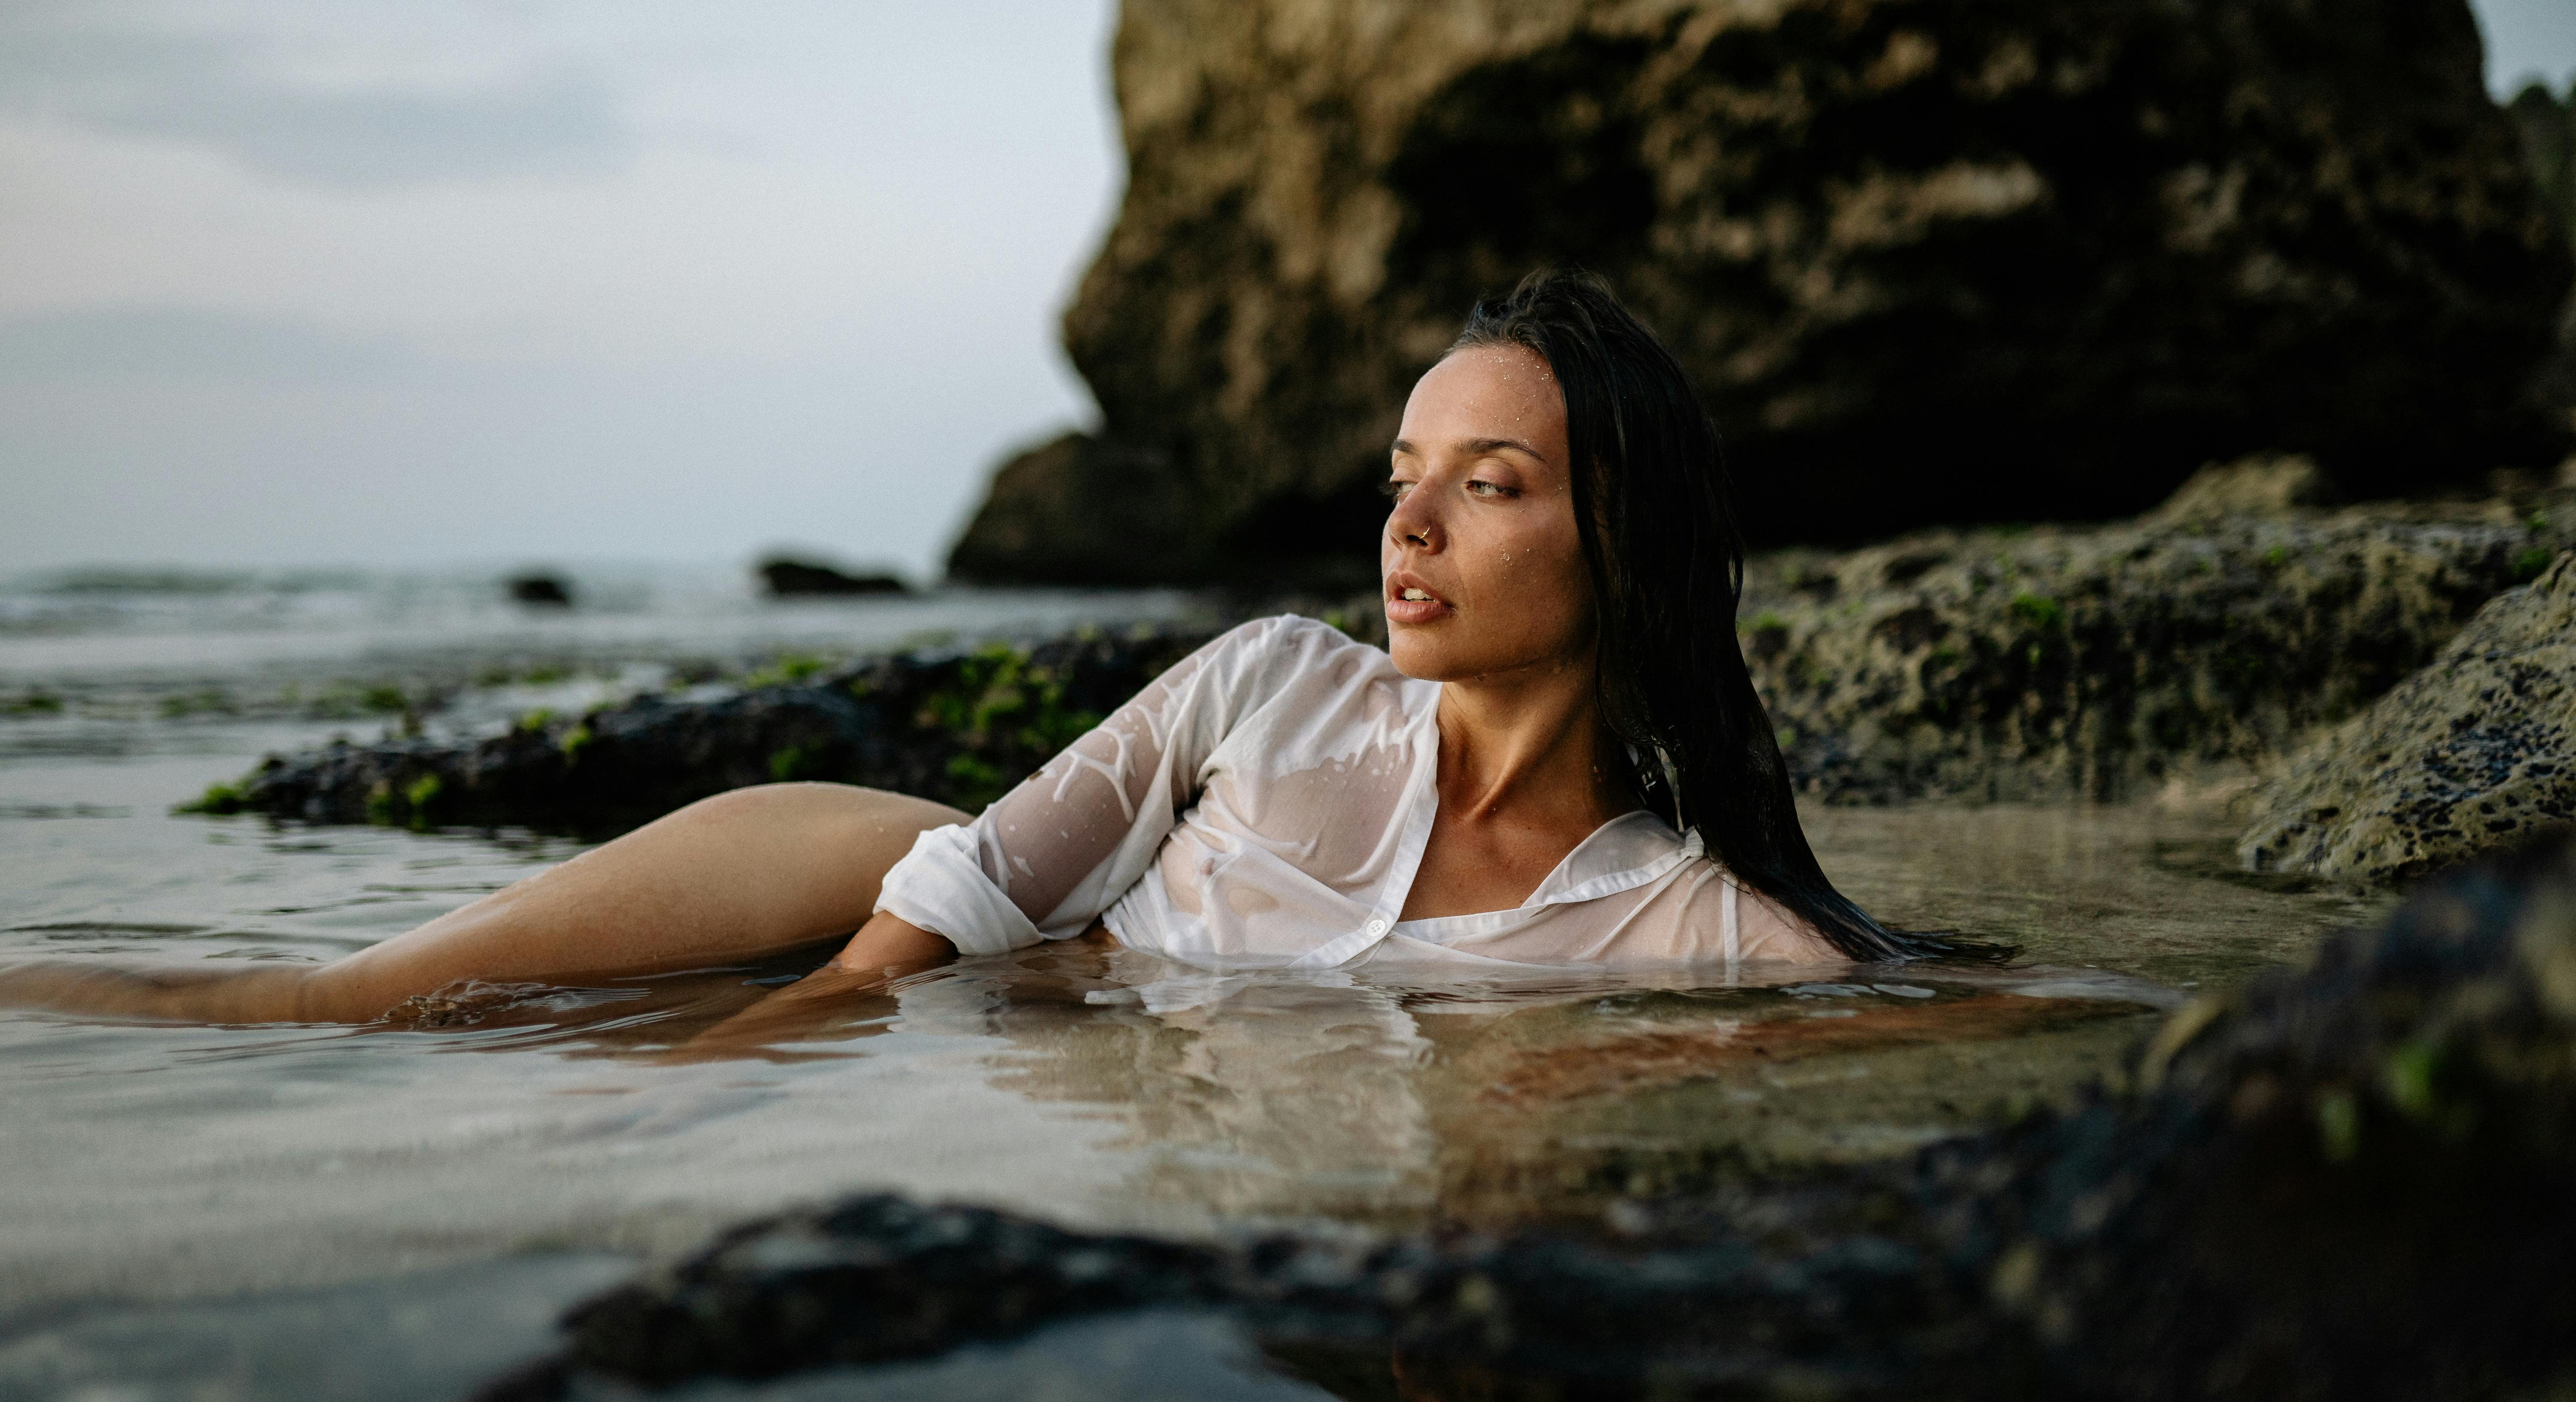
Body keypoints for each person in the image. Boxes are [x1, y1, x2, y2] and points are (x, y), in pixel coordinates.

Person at [0, 270, 1985, 1030]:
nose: (1410, 525)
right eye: (1404, 474)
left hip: (1004, 1029)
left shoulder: (1685, 922)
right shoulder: (1278, 678)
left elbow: (1981, 1009)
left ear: (1616, 532)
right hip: (878, 879)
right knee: (309, 1007)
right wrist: (733, 1057)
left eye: (1489, 483)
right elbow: (940, 908)